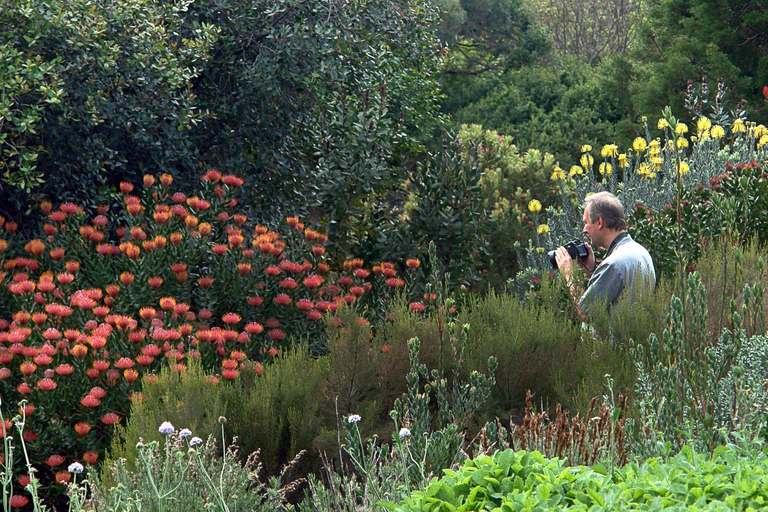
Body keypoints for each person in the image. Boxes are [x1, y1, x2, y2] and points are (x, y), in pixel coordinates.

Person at [554, 191, 655, 318]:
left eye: (586, 222)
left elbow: (586, 313)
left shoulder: (614, 263)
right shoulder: (640, 252)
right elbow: (618, 291)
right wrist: (593, 272)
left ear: (600, 222)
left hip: (615, 338)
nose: (584, 230)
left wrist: (569, 274)